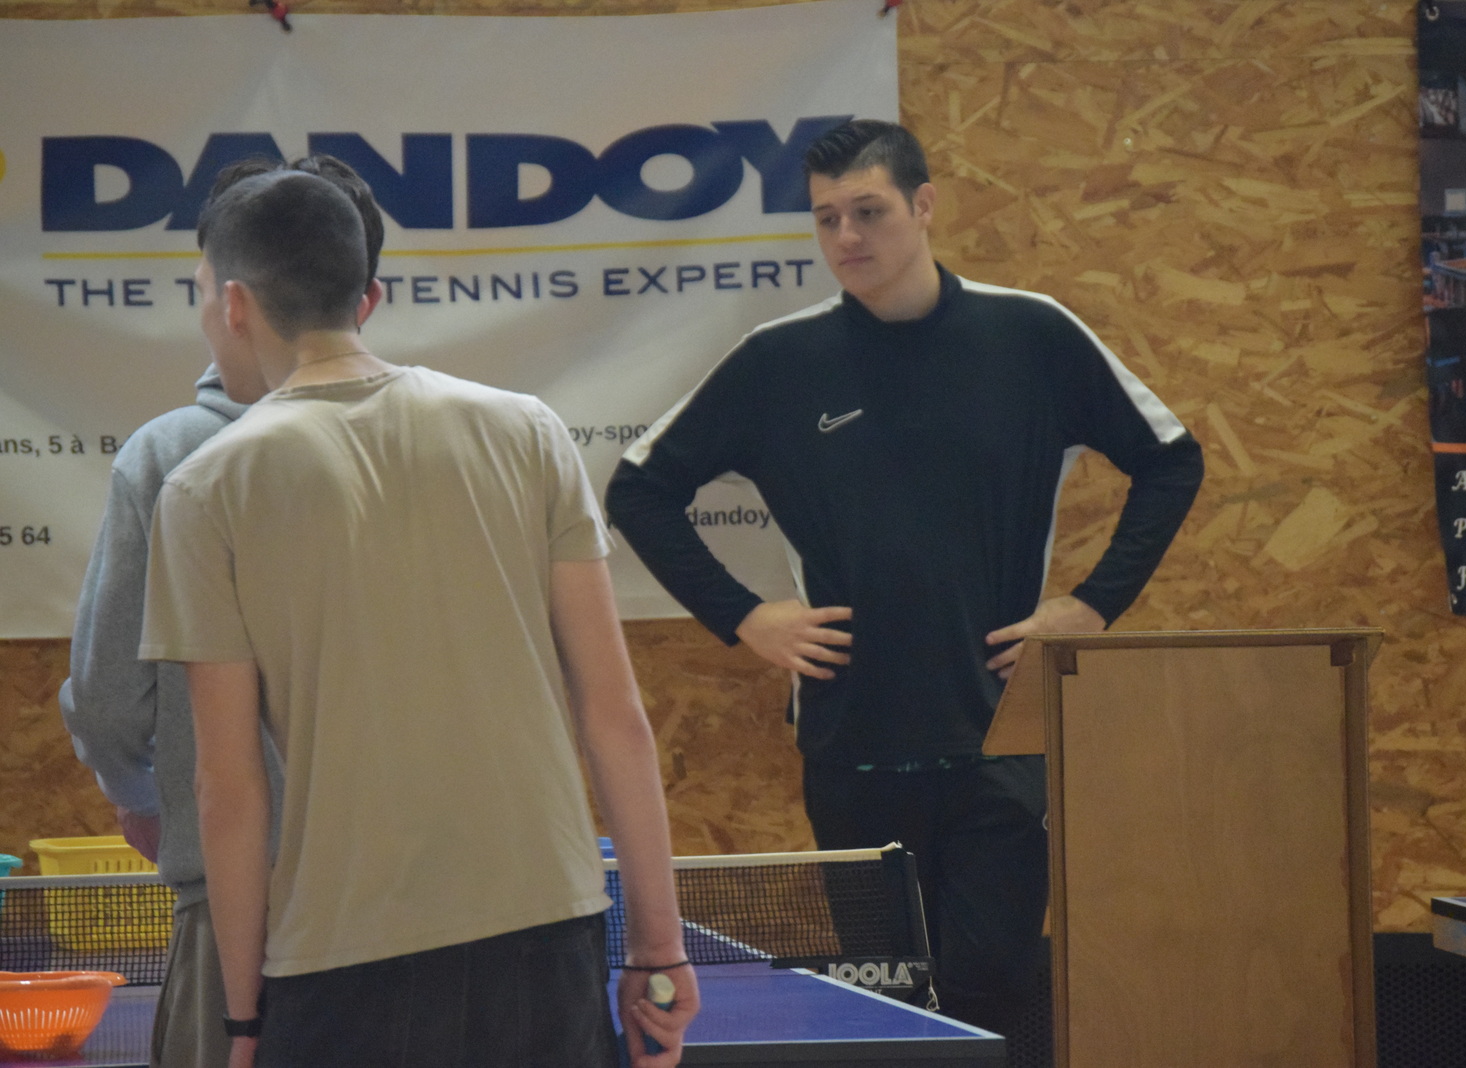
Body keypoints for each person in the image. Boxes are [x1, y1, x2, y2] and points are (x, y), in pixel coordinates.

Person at [605, 119, 1203, 1037]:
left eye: (869, 211)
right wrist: (747, 616)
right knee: (887, 1012)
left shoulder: (1030, 334)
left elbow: (1172, 460)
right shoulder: (779, 361)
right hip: (852, 746)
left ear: (924, 206)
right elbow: (638, 490)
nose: (847, 236)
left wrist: (1091, 606)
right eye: (827, 218)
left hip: (1000, 738)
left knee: (995, 994)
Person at [138, 168, 696, 1068]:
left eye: (201, 294)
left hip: (342, 957)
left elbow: (227, 788)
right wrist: (660, 952)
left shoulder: (205, 488)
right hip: (548, 935)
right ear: (362, 292)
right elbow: (615, 715)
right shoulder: (528, 429)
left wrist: (242, 1022)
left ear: (234, 305)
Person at [58, 154, 385, 1068]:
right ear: (364, 296)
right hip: (421, 905)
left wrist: (140, 794)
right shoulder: (455, 446)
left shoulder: (171, 458)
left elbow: (109, 699)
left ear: (228, 298)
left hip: (239, 901)